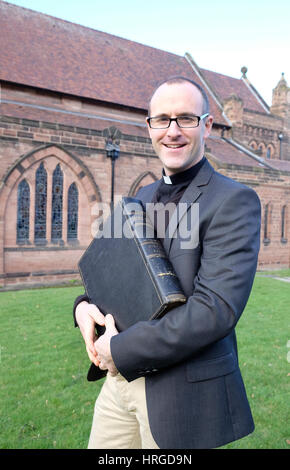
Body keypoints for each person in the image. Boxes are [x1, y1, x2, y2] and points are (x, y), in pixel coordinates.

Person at [73, 76, 261, 449]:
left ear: (207, 126)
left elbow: (214, 311)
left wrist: (119, 350)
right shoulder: (140, 196)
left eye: (185, 119)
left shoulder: (234, 201)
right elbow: (114, 274)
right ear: (149, 128)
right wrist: (82, 308)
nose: (172, 131)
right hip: (120, 385)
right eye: (162, 120)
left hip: (181, 394)